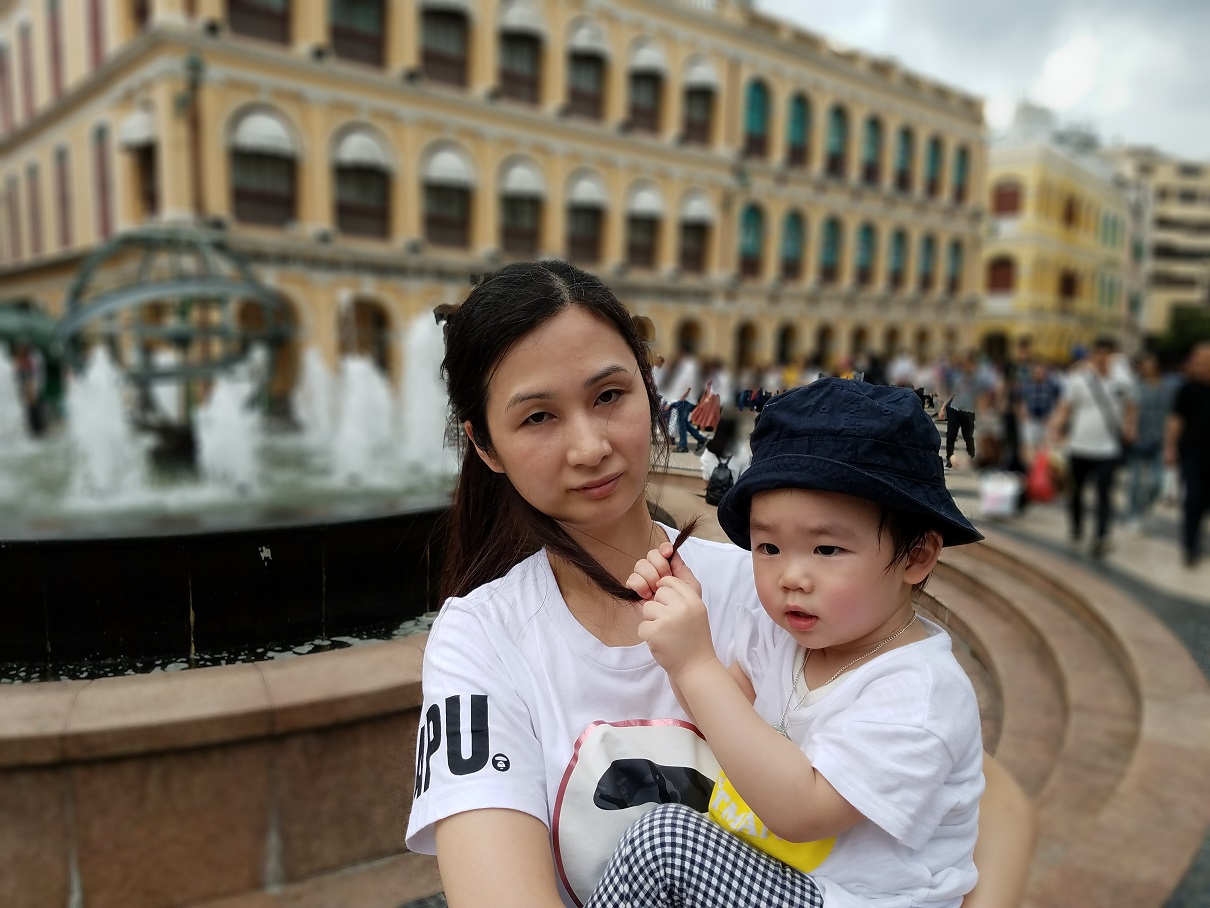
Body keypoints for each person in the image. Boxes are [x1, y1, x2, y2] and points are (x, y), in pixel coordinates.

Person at [405, 260, 1034, 908]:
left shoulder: (779, 596)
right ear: (485, 445)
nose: (589, 446)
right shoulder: (482, 639)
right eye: (538, 417)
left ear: (650, 390)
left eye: (609, 396)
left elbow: (990, 801)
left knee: (665, 847)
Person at [589, 379, 985, 908]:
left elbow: (802, 811)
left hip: (859, 900)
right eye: (769, 547)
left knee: (664, 846)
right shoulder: (778, 636)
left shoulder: (920, 694)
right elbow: (717, 715)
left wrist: (695, 664)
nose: (791, 577)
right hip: (780, 875)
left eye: (826, 549)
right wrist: (681, 638)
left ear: (916, 556)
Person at [1048, 337, 1138, 559]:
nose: (1102, 359)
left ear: (1114, 356)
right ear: (1092, 355)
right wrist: (1056, 427)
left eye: (1107, 354)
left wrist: (1130, 426)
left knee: (1104, 493)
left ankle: (1101, 536)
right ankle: (1077, 528)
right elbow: (1065, 407)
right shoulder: (1079, 379)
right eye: (1099, 354)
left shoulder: (1123, 381)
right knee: (1076, 492)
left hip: (1108, 448)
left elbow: (1131, 406)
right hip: (1079, 446)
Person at [1165, 342, 1210, 568]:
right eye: (1197, 360)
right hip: (1191, 452)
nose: (1198, 364)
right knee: (1192, 498)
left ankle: (1197, 538)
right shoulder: (1186, 389)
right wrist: (1170, 447)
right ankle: (1190, 545)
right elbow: (1176, 420)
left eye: (1204, 360)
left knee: (1204, 501)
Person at [1125, 352, 1173, 529]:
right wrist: (1130, 429)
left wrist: (1170, 442)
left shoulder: (1166, 388)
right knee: (1136, 481)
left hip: (1160, 438)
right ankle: (1132, 513)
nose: (1146, 368)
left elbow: (1171, 415)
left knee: (1157, 481)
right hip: (1139, 438)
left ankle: (1145, 509)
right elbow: (1130, 410)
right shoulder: (1135, 387)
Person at [938, 352, 994, 469]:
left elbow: (981, 397)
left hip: (969, 411)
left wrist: (982, 412)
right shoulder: (957, 377)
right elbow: (952, 393)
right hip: (955, 409)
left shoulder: (978, 380)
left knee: (968, 436)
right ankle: (950, 458)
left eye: (969, 364)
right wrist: (943, 408)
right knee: (951, 435)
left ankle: (972, 456)